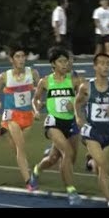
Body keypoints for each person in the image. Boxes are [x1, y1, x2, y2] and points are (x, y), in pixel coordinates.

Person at [28, 47, 82, 205]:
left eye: (66, 61)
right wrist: (37, 109)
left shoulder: (74, 80)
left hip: (70, 123)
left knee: (55, 158)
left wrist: (77, 105)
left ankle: (36, 170)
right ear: (53, 64)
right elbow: (35, 99)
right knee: (67, 152)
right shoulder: (45, 81)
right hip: (53, 123)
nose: (64, 64)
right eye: (60, 61)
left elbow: (84, 96)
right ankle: (71, 191)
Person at [74, 53, 109, 208]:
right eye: (102, 63)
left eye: (108, 63)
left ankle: (90, 162)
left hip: (108, 131)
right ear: (95, 66)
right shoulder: (86, 87)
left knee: (98, 165)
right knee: (104, 165)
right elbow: (77, 103)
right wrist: (78, 118)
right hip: (91, 131)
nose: (105, 66)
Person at [0, 47, 40, 190]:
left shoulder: (33, 73)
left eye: (23, 56)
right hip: (11, 114)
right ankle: (28, 181)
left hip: (27, 115)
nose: (21, 59)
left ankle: (4, 131)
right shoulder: (5, 76)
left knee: (17, 147)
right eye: (17, 56)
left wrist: (37, 106)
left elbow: (40, 91)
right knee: (20, 148)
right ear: (11, 59)